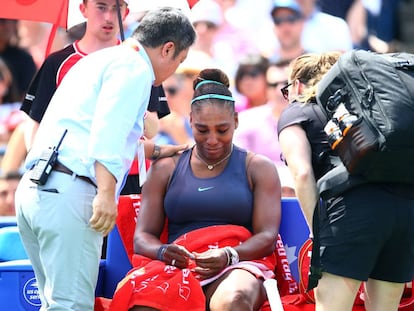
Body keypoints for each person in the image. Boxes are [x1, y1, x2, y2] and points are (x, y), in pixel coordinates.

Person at [15, 7, 196, 311]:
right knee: (71, 307)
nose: (176, 67)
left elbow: (88, 129)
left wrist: (161, 151)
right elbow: (107, 132)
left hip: (37, 188)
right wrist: (106, 193)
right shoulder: (134, 68)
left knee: (54, 305)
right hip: (69, 191)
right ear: (167, 48)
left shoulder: (99, 59)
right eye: (180, 59)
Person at [109, 68, 282, 311]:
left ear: (235, 121)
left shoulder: (258, 167)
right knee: (143, 304)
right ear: (190, 121)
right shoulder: (166, 168)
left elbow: (266, 237)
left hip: (237, 262)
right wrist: (163, 251)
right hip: (178, 265)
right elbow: (142, 238)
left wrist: (228, 255)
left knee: (234, 300)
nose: (212, 140)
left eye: (222, 130)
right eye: (202, 130)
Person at [277, 52, 414, 310]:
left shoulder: (298, 110)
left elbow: (302, 173)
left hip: (352, 211)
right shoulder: (368, 108)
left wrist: (317, 234)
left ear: (296, 85)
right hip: (405, 208)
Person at [234, 59, 295, 197]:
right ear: (266, 89)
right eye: (273, 85)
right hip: (259, 197)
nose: (280, 91)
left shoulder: (311, 120)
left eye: (286, 84)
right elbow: (238, 167)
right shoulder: (246, 120)